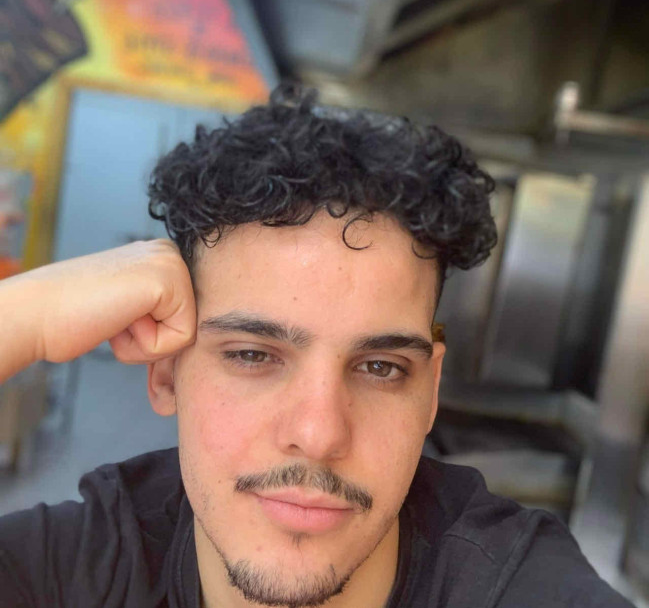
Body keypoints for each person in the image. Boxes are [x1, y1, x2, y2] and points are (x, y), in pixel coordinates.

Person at [0, 85, 633, 608]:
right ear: (166, 373)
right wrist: (24, 316)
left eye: (381, 366)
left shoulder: (515, 587)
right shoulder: (80, 569)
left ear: (431, 392)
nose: (319, 433)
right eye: (253, 355)